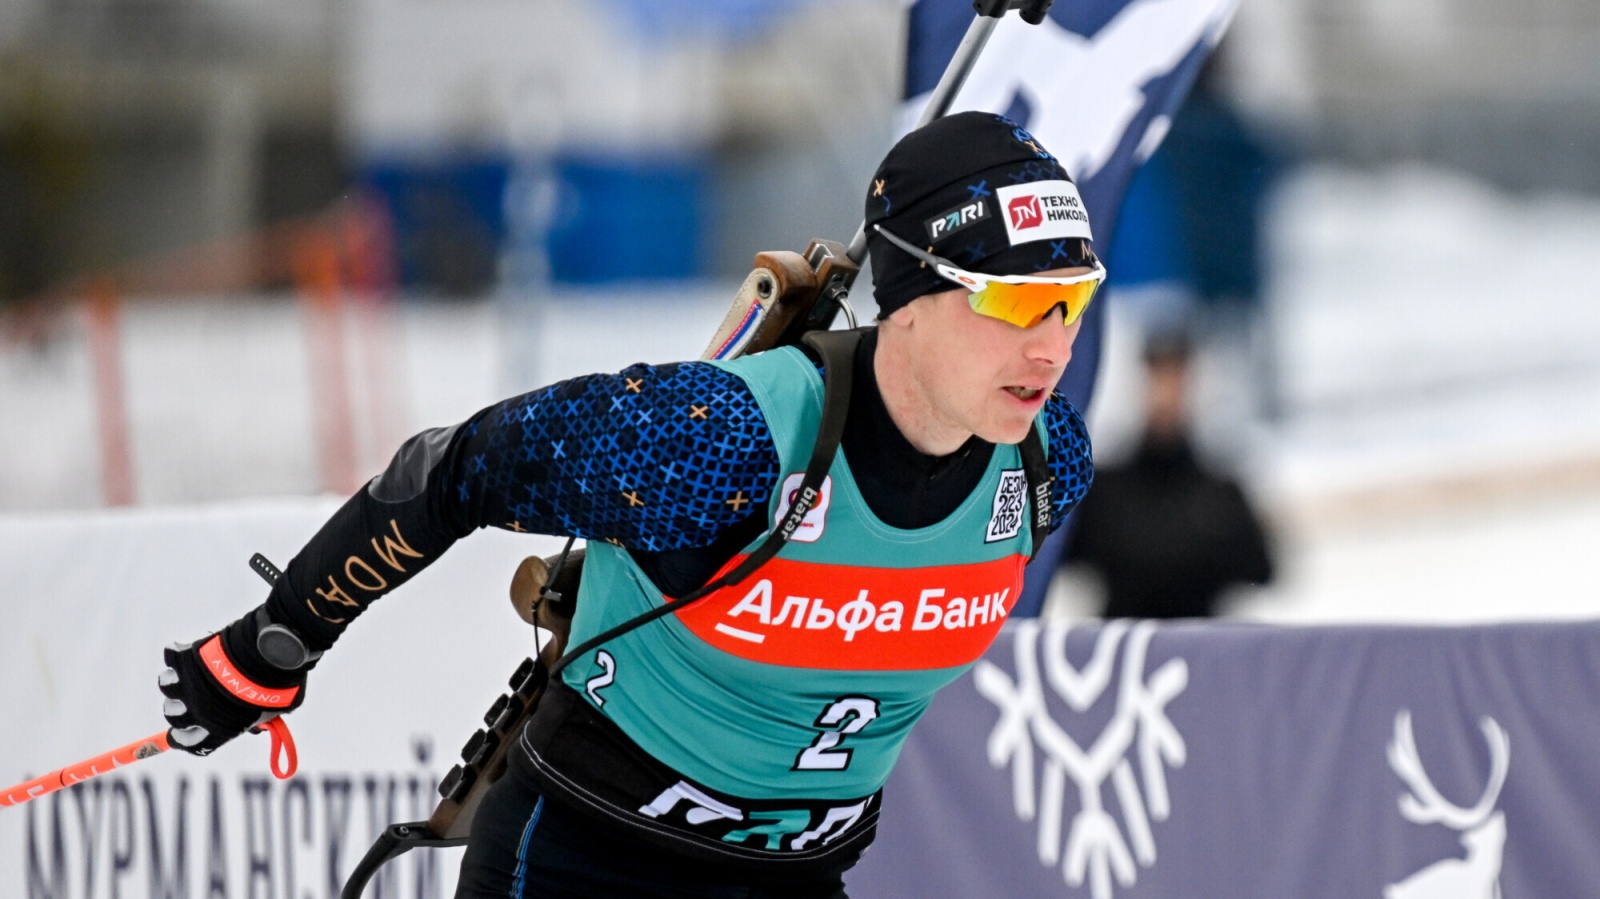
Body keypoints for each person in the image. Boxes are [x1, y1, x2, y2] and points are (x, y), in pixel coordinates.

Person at [156, 112, 1103, 898]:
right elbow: (453, 471)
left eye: (1074, 299)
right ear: (909, 295)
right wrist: (274, 641)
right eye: (1017, 303)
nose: (1052, 347)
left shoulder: (1046, 463)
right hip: (589, 862)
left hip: (793, 877)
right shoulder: (722, 439)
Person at [1063, 329, 1273, 619]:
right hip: (1124, 639)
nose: (1165, 393)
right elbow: (1060, 558)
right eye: (1157, 378)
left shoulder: (1221, 494)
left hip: (1201, 640)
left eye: (1176, 378)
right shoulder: (1104, 489)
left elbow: (1263, 570)